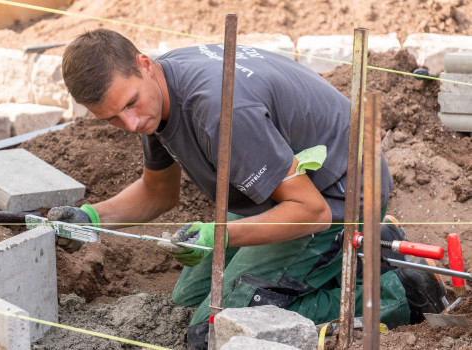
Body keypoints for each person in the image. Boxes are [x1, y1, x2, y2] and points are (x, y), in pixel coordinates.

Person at [51, 28, 447, 349]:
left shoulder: (221, 111)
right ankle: (360, 253)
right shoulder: (155, 96)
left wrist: (217, 234)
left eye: (131, 104)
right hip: (284, 193)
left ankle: (396, 290)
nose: (132, 123)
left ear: (144, 64)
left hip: (339, 195)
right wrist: (90, 216)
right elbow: (158, 193)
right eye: (113, 119)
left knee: (215, 330)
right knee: (186, 302)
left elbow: (312, 212)